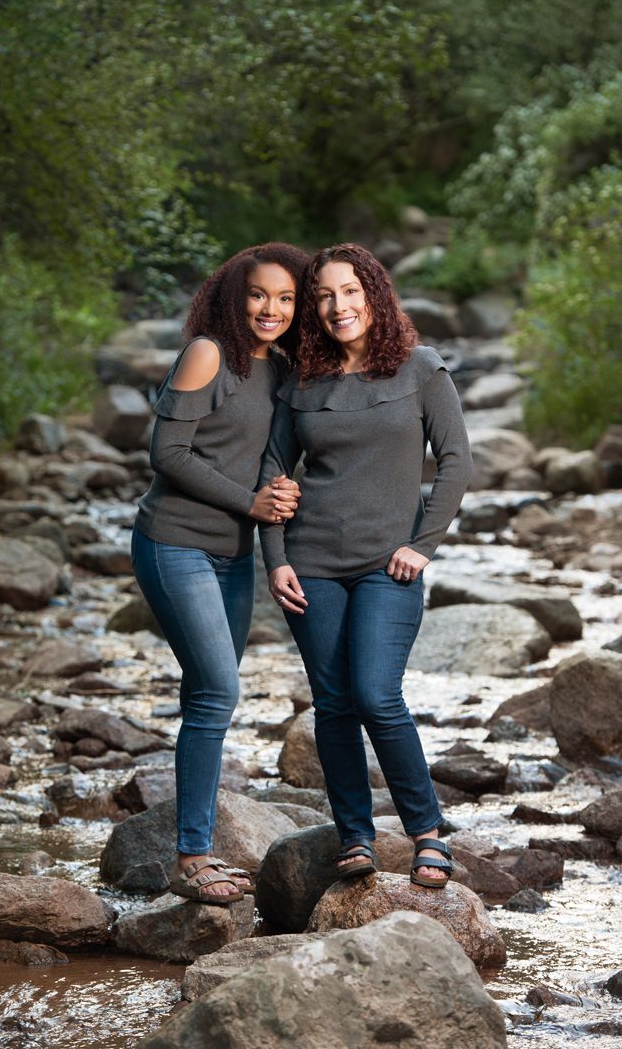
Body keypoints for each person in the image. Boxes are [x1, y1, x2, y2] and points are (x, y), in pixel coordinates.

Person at [259, 243, 473, 887]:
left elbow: (457, 461)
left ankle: (427, 835)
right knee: (332, 703)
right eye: (323, 295)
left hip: (390, 565)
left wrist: (423, 544)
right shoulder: (301, 381)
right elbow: (273, 470)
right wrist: (275, 560)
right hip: (311, 561)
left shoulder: (420, 368)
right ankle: (355, 836)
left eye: (349, 291)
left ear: (373, 293)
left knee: (378, 696)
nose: (337, 306)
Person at [132, 242, 309, 904]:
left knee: (208, 696)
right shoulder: (208, 352)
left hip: (233, 558)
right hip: (173, 543)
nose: (272, 308)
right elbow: (166, 452)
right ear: (236, 296)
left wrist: (278, 536)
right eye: (260, 294)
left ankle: (193, 843)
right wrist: (252, 502)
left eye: (287, 298)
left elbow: (270, 470)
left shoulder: (284, 370)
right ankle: (192, 855)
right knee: (218, 691)